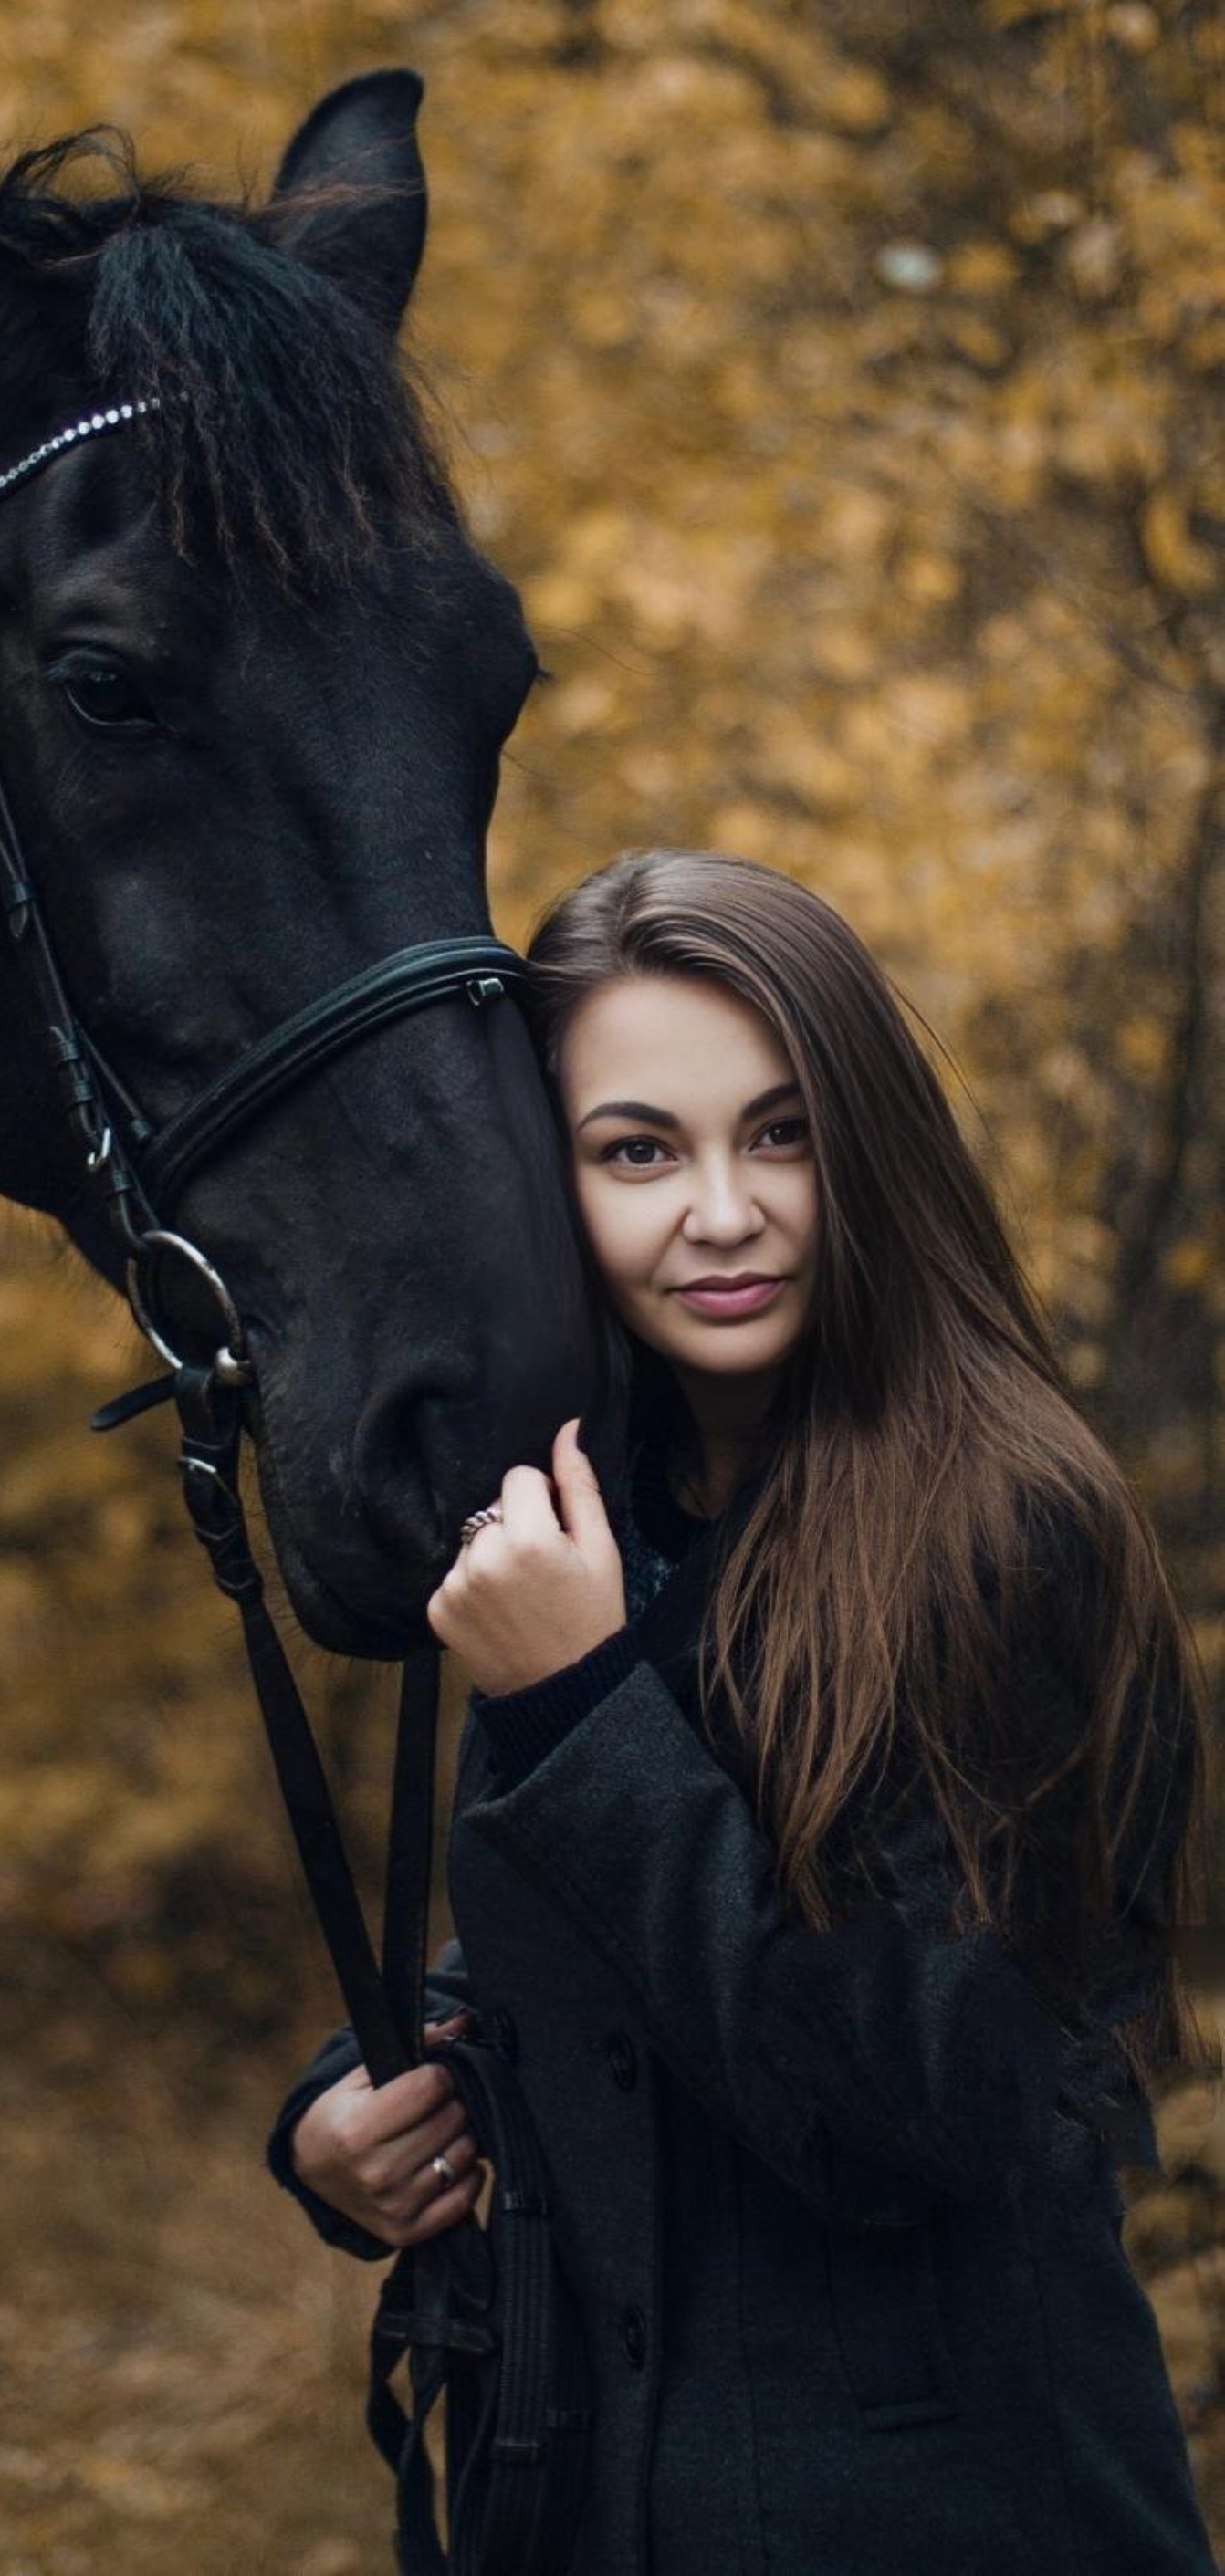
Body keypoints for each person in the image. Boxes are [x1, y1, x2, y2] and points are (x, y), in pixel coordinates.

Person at [266, 847, 1220, 2575]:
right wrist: (365, 2110)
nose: (723, 1210)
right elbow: (590, 1981)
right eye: (640, 1149)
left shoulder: (1006, 1529)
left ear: (867, 1144)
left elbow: (918, 2105)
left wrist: (579, 1703)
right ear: (548, 1187)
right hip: (587, 2501)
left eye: (780, 1132)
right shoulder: (584, 1520)